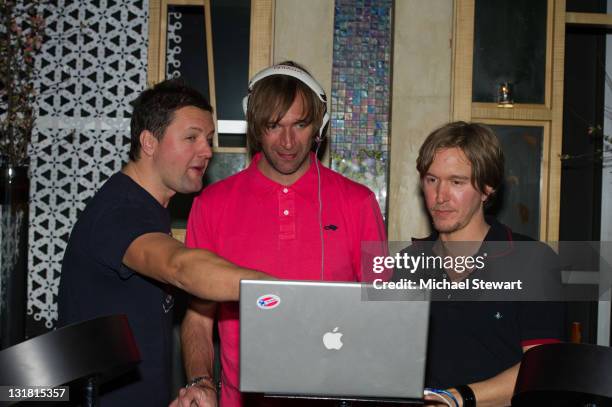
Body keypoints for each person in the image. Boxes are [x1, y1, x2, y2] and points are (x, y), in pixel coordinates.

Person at [175, 61, 387, 407]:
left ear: (319, 126)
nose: (288, 142)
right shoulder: (212, 204)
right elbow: (199, 318)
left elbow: (383, 313)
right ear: (256, 128)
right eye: (274, 126)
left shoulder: (359, 203)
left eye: (300, 124)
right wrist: (201, 381)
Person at [57, 79, 270, 407]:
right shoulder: (119, 211)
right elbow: (179, 266)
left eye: (209, 139)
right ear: (149, 142)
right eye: (191, 137)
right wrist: (281, 290)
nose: (206, 150)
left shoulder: (147, 210)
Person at [398, 121, 565, 407]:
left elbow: (542, 367)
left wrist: (457, 398)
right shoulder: (409, 262)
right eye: (432, 179)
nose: (440, 196)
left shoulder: (531, 259)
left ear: (487, 188)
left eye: (457, 182)